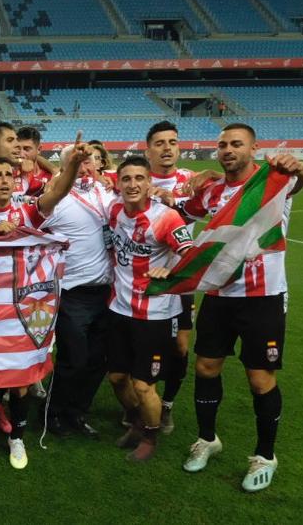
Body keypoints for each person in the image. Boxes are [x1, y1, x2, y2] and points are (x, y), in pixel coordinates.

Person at [180, 124, 303, 492]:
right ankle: (207, 440)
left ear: (252, 148)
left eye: (236, 144)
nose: (227, 149)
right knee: (206, 367)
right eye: (222, 144)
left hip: (263, 297)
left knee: (259, 379)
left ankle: (264, 456)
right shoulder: (211, 191)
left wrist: (298, 166)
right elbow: (182, 212)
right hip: (220, 295)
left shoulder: (275, 181)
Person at [0, 139, 90, 469]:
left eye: (10, 175)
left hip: (21, 311)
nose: (5, 180)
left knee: (19, 380)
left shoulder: (26, 213)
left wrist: (72, 164)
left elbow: (58, 191)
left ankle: (17, 438)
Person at [104, 156, 195, 462]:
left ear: (149, 183)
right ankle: (137, 421)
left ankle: (151, 437)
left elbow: (192, 257)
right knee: (117, 378)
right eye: (126, 178)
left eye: (139, 178)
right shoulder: (113, 209)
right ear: (118, 183)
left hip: (155, 315)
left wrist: (171, 270)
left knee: (144, 385)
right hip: (119, 309)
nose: (132, 184)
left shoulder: (166, 217)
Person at [42, 145, 118, 441]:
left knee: (98, 360)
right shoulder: (57, 202)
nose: (86, 169)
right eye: (78, 163)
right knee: (74, 359)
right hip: (73, 293)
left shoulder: (108, 196)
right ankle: (53, 412)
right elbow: (35, 217)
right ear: (66, 168)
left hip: (108, 292)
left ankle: (77, 412)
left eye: (89, 162)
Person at [144, 120, 200, 434]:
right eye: (160, 143)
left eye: (173, 142)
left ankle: (166, 405)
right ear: (148, 148)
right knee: (141, 343)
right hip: (142, 275)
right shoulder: (135, 178)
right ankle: (142, 399)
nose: (167, 148)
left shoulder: (191, 181)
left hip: (179, 278)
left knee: (179, 346)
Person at [15, 126, 56, 196]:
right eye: (18, 148)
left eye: (26, 149)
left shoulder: (51, 177)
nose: (21, 154)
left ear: (39, 149)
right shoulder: (9, 175)